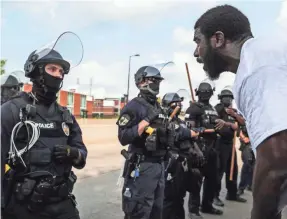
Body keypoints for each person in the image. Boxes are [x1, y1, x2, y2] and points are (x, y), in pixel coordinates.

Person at [193, 4, 287, 219]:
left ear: (217, 39)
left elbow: (277, 156)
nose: (196, 52)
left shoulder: (257, 69)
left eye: (198, 41)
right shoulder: (266, 54)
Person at [1, 47, 87, 219]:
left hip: (62, 205)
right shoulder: (12, 110)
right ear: (36, 71)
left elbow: (81, 155)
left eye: (61, 71)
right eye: (52, 69)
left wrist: (74, 153)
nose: (58, 75)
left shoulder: (65, 116)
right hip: (24, 207)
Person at [117, 66, 198, 219]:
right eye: (152, 80)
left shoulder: (158, 107)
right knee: (139, 211)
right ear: (140, 82)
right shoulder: (134, 106)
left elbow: (170, 130)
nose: (156, 84)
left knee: (156, 211)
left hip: (160, 165)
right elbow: (123, 137)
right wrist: (145, 121)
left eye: (158, 81)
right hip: (142, 166)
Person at [185, 80, 224, 217]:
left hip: (213, 148)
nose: (205, 95)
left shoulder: (212, 109)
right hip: (199, 148)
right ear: (198, 93)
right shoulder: (193, 108)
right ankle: (193, 210)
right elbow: (189, 130)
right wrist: (206, 131)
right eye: (203, 93)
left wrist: (221, 124)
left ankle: (206, 206)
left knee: (212, 179)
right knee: (197, 180)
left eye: (207, 93)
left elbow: (217, 125)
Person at [161, 92, 203, 219]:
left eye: (180, 103)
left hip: (184, 162)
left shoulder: (181, 121)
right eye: (176, 104)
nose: (179, 106)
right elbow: (176, 134)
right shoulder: (164, 121)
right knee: (169, 198)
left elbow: (191, 137)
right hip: (172, 163)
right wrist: (189, 133)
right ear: (168, 106)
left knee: (180, 196)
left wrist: (197, 150)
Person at [214, 87, 246, 207]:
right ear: (221, 98)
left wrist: (234, 115)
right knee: (219, 170)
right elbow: (217, 122)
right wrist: (230, 124)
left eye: (229, 97)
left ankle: (232, 193)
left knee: (233, 169)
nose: (227, 99)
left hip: (230, 143)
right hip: (220, 143)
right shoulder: (218, 109)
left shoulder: (233, 111)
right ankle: (215, 196)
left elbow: (242, 123)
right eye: (225, 97)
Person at [238, 123, 255, 196]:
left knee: (254, 165)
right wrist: (243, 137)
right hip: (247, 143)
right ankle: (241, 188)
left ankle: (250, 185)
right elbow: (239, 128)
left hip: (256, 142)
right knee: (247, 164)